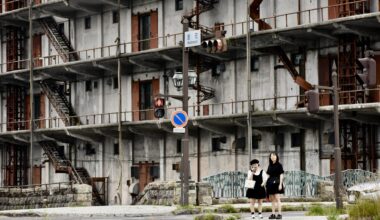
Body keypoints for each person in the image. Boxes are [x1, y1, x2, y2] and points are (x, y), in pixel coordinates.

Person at [264, 152, 285, 219]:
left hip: (277, 182)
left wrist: (280, 184)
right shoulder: (270, 165)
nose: (273, 157)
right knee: (272, 200)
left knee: (278, 199)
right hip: (270, 183)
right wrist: (264, 182)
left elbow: (281, 175)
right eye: (271, 156)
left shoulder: (279, 165)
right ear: (270, 158)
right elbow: (268, 175)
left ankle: (279, 214)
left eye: (274, 156)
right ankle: (273, 214)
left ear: (276, 157)